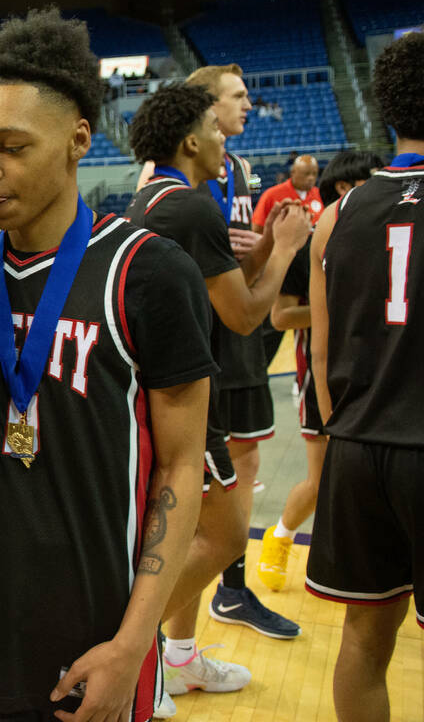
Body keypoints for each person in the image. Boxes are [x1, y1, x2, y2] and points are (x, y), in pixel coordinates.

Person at [0, 9, 212, 722]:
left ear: (78, 140)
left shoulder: (149, 272)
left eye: (11, 147)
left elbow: (182, 469)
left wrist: (133, 644)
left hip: (94, 644)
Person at [125, 83, 312, 699]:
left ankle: (171, 658)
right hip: (183, 403)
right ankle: (127, 650)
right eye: (216, 121)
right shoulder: (193, 207)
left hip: (152, 396)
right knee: (228, 536)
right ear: (190, 140)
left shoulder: (151, 201)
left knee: (180, 538)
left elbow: (218, 290)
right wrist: (284, 250)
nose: (225, 135)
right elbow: (246, 315)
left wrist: (257, 253)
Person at [306, 31, 424, 722]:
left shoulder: (338, 213)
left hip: (357, 448)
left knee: (365, 636)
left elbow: (321, 352)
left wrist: (336, 435)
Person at [183, 63, 302, 641]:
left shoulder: (241, 169)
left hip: (240, 332)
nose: (249, 103)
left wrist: (261, 250)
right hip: (201, 336)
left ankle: (230, 588)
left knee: (247, 463)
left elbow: (233, 262)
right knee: (204, 481)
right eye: (238, 95)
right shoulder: (179, 172)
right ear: (206, 109)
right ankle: (170, 619)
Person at [257, 150, 384, 592]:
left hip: (374, 372)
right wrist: (335, 309)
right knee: (323, 478)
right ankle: (280, 537)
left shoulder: (384, 237)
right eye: (371, 181)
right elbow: (280, 319)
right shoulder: (312, 244)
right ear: (346, 188)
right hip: (320, 375)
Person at [253, 154, 322, 231]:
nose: (311, 178)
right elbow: (257, 228)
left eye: (314, 174)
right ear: (293, 172)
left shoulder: (320, 194)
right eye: (306, 173)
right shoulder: (271, 195)